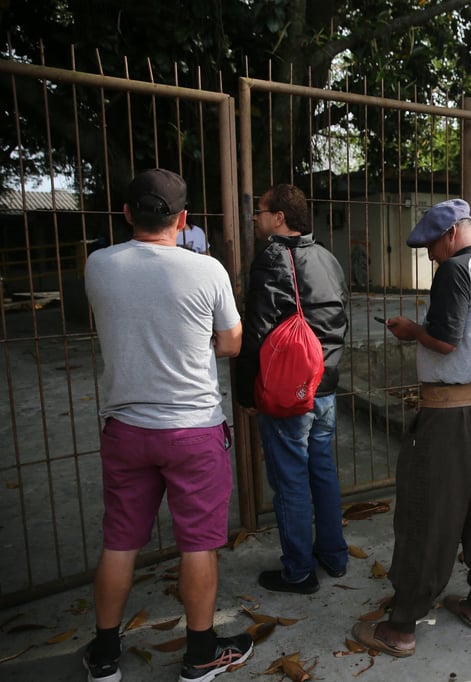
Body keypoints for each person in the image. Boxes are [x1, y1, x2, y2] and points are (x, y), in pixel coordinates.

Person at [83, 169, 252, 682]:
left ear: (127, 213)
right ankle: (200, 656)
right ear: (182, 219)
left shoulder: (98, 265)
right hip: (193, 429)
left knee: (120, 540)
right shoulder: (208, 271)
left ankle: (105, 656)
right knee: (198, 543)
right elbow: (231, 344)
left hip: (127, 428)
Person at [351, 198, 471, 657]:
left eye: (431, 245)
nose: (429, 256)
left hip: (451, 413)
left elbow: (444, 341)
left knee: (430, 510)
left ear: (450, 234)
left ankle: (402, 625)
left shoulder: (455, 271)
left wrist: (411, 331)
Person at [236, 184, 350, 595]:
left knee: (290, 479)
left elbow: (257, 331)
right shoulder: (327, 257)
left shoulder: (272, 258)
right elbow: (339, 319)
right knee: (321, 468)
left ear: (279, 217)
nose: (256, 217)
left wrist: (248, 393)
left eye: (261, 211)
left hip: (290, 391)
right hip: (325, 384)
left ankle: (298, 572)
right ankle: (334, 557)